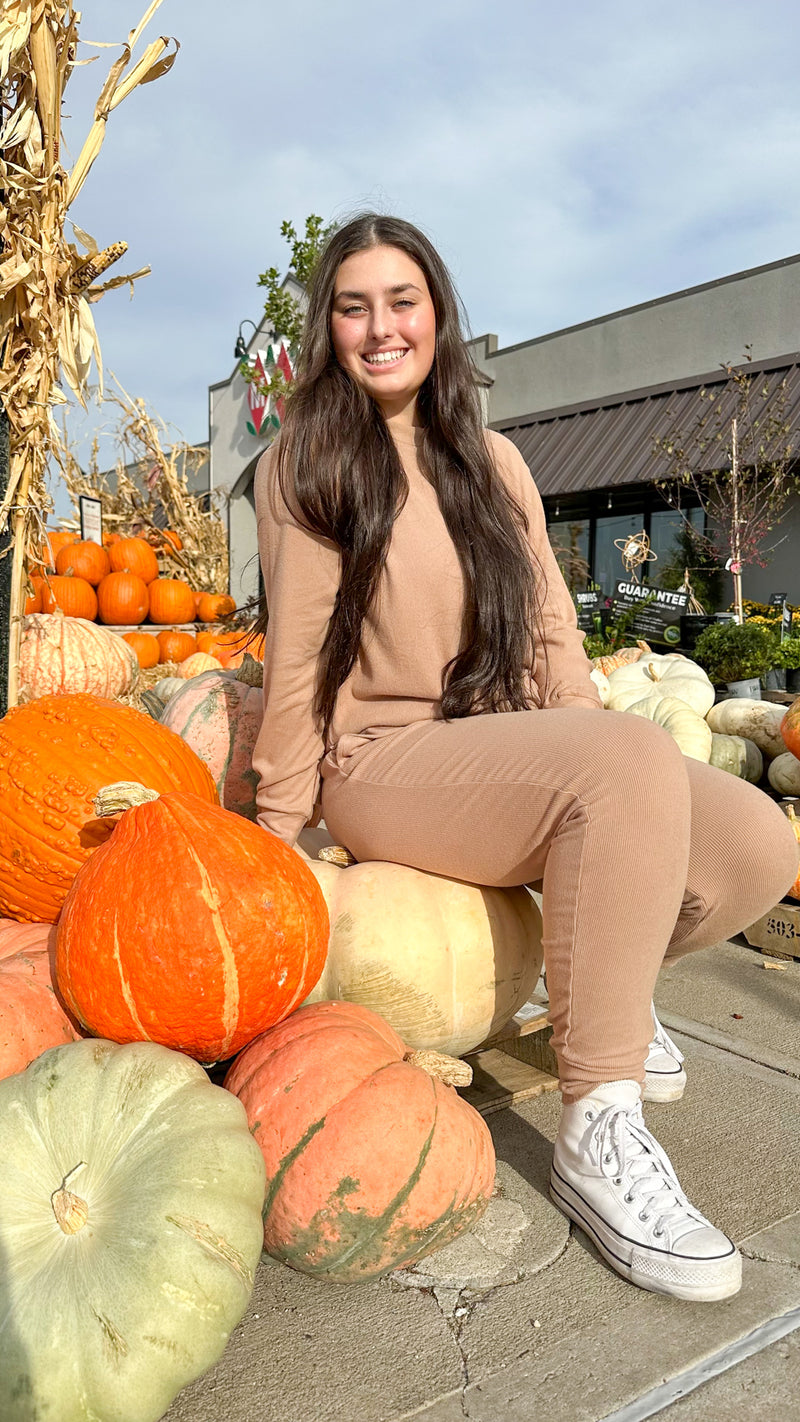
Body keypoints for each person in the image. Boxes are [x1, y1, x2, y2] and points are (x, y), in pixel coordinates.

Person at [251, 213, 800, 1303]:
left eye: (401, 301)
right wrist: (274, 844)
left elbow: (550, 629)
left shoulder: (492, 461)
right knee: (623, 765)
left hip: (495, 745)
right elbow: (299, 659)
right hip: (383, 763)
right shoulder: (305, 463)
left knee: (752, 843)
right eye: (353, 307)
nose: (379, 327)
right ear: (328, 329)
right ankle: (598, 1130)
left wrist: (598, 750)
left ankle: (600, 989)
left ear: (438, 315)